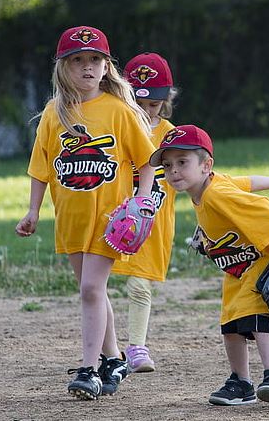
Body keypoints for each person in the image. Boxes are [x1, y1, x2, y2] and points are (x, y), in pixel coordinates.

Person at [15, 26, 156, 401]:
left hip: (112, 221)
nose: (87, 67)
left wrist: (142, 201)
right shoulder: (54, 112)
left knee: (91, 289)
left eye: (95, 59)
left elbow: (146, 162)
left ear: (107, 67)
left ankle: (89, 369)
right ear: (63, 68)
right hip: (71, 219)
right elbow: (40, 167)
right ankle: (113, 360)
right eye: (77, 60)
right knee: (93, 291)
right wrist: (33, 211)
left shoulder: (119, 111)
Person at [148, 124, 269, 406]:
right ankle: (240, 383)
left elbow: (264, 209)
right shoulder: (211, 186)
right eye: (168, 164)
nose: (173, 171)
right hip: (237, 269)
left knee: (259, 319)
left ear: (206, 165)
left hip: (262, 264)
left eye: (182, 162)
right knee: (231, 325)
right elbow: (247, 181)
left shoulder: (216, 195)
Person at [109, 52, 178, 373]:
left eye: (155, 105)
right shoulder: (116, 125)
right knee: (96, 285)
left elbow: (192, 178)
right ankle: (108, 348)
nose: (148, 111)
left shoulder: (171, 135)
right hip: (113, 219)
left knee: (139, 285)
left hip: (152, 223)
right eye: (141, 104)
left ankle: (136, 347)